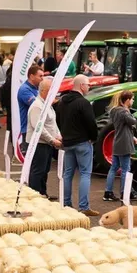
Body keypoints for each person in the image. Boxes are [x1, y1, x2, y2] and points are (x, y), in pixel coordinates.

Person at [55, 74, 99, 216]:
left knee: (68, 173)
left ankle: (66, 203)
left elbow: (58, 120)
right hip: (83, 142)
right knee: (85, 174)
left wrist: (65, 134)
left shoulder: (62, 102)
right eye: (87, 85)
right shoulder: (84, 103)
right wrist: (93, 138)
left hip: (68, 143)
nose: (89, 87)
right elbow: (91, 123)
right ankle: (83, 206)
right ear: (81, 86)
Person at [103, 90, 137, 202]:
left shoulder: (114, 111)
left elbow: (123, 128)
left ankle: (108, 192)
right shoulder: (124, 112)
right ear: (127, 100)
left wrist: (132, 137)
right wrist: (128, 110)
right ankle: (126, 193)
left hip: (117, 142)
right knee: (126, 169)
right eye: (132, 99)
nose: (133, 101)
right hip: (124, 144)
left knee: (114, 168)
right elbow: (133, 121)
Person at [26, 78, 62, 200]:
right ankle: (34, 196)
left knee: (44, 170)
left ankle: (42, 193)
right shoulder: (37, 106)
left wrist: (58, 135)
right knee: (38, 171)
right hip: (39, 144)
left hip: (46, 144)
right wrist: (52, 140)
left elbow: (52, 123)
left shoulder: (46, 105)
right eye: (52, 90)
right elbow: (39, 128)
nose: (54, 93)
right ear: (45, 91)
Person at [17, 65, 44, 155]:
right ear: (32, 76)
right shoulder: (25, 90)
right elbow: (37, 105)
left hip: (34, 128)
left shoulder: (35, 88)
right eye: (40, 76)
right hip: (28, 130)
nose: (42, 79)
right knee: (31, 161)